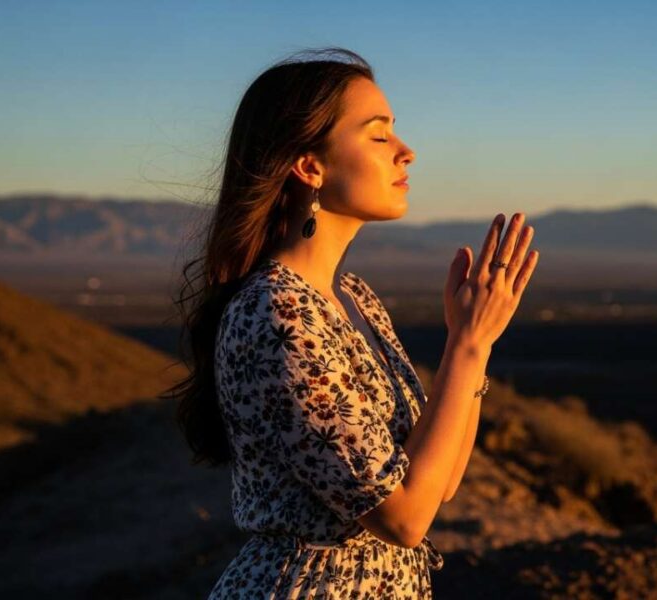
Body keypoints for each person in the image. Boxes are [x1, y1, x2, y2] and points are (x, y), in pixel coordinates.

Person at [163, 47, 538, 598]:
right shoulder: (277, 313)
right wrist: (465, 344)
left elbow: (439, 485)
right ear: (309, 166)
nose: (406, 152)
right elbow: (404, 519)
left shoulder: (353, 299)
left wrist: (474, 345)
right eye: (379, 135)